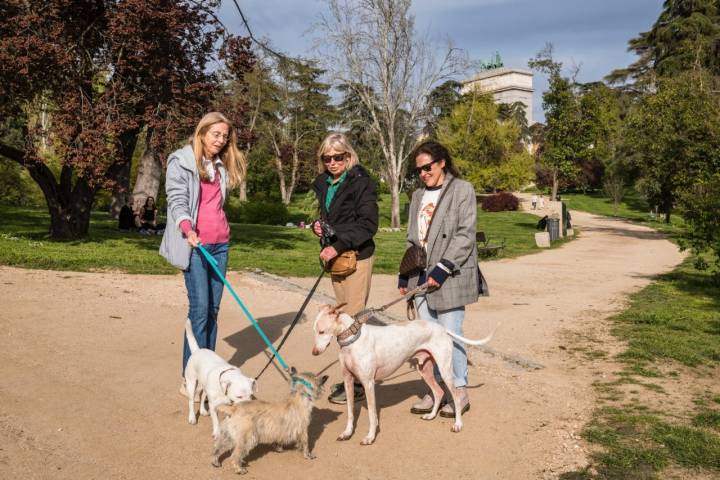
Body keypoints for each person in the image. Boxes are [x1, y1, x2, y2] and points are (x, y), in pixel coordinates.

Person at [159, 111, 246, 395]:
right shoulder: (181, 160)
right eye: (216, 134)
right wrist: (187, 228)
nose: (220, 140)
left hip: (220, 244)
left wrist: (223, 229)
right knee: (200, 310)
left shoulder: (219, 165)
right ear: (202, 132)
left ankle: (209, 373)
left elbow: (215, 204)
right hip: (194, 244)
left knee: (213, 311)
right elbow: (176, 198)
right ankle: (190, 378)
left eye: (224, 136)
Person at [399, 140, 483, 418]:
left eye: (428, 167)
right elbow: (413, 238)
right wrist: (405, 274)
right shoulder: (417, 197)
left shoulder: (462, 189)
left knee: (450, 337)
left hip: (450, 275)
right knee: (427, 338)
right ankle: (436, 389)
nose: (423, 173)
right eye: (418, 170)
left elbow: (465, 234)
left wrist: (443, 268)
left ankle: (458, 391)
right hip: (421, 277)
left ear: (442, 162)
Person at [311, 132, 378, 404]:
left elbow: (367, 225)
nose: (332, 162)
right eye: (327, 158)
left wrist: (336, 245)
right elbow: (335, 219)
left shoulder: (361, 182)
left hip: (356, 256)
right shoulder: (326, 183)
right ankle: (351, 376)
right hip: (336, 256)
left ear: (349, 156)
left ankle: (361, 382)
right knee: (341, 318)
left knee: (352, 319)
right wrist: (321, 228)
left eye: (338, 157)